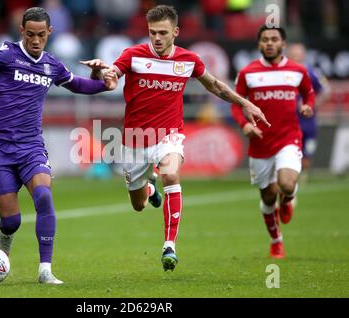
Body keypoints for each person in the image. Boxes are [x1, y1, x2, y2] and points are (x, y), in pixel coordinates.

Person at [0, 7, 117, 284]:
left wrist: (104, 85)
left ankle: (45, 270)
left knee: (43, 197)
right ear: (22, 32)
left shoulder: (52, 65)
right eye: (30, 35)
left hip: (30, 146)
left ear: (49, 33)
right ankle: (5, 240)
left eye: (41, 35)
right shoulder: (5, 54)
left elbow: (78, 85)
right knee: (12, 221)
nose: (36, 40)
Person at [82, 5, 269, 271]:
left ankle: (169, 245)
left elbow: (214, 85)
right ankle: (149, 186)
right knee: (138, 205)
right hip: (134, 139)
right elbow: (111, 80)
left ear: (176, 32)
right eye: (152, 32)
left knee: (171, 174)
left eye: (162, 32)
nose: (156, 38)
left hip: (168, 135)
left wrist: (245, 103)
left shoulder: (188, 60)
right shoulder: (133, 55)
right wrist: (99, 72)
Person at [231, 25, 315, 259]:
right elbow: (236, 103)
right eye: (265, 39)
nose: (269, 43)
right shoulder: (248, 73)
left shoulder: (298, 71)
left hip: (289, 138)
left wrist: (308, 105)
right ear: (259, 44)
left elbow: (308, 93)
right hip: (260, 145)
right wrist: (245, 125)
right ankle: (276, 241)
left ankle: (288, 199)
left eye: (274, 39)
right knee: (268, 197)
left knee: (286, 184)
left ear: (283, 43)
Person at [287, 43, 330, 182]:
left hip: (309, 121)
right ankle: (291, 175)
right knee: (290, 150)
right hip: (289, 121)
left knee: (307, 152)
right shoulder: (283, 74)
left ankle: (302, 174)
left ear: (304, 55)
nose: (297, 58)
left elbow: (326, 90)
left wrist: (313, 104)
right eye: (294, 55)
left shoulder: (312, 73)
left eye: (299, 55)